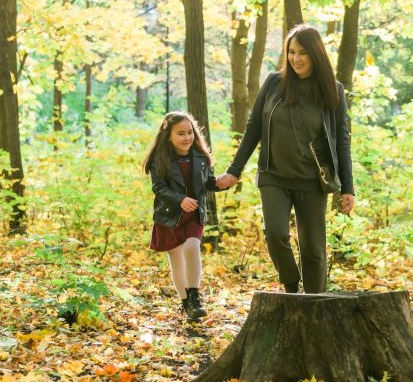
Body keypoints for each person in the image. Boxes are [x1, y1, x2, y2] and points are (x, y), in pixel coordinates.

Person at [216, 24, 355, 294]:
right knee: (276, 234)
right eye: (291, 52)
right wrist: (234, 170)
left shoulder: (332, 90)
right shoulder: (273, 83)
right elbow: (253, 128)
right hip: (274, 175)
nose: (296, 59)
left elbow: (342, 142)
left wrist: (347, 187)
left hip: (312, 180)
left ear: (316, 54)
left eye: (303, 52)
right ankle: (291, 285)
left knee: (313, 250)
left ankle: (315, 305)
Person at [143, 111, 226, 321]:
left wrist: (219, 184)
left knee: (191, 247)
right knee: (177, 259)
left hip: (194, 214)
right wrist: (179, 199)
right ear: (168, 135)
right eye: (181, 133)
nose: (187, 137)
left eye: (190, 132)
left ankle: (195, 297)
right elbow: (159, 188)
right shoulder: (159, 158)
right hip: (170, 216)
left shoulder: (200, 156)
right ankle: (185, 303)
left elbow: (207, 182)